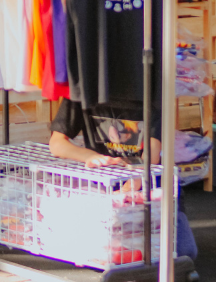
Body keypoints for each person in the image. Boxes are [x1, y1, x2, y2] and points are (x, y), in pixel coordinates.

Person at [48, 97, 198, 261]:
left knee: (183, 253)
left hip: (153, 189)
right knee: (102, 252)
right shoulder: (83, 88)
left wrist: (127, 191)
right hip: (105, 187)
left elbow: (151, 154)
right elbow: (56, 144)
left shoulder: (153, 88)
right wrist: (90, 156)